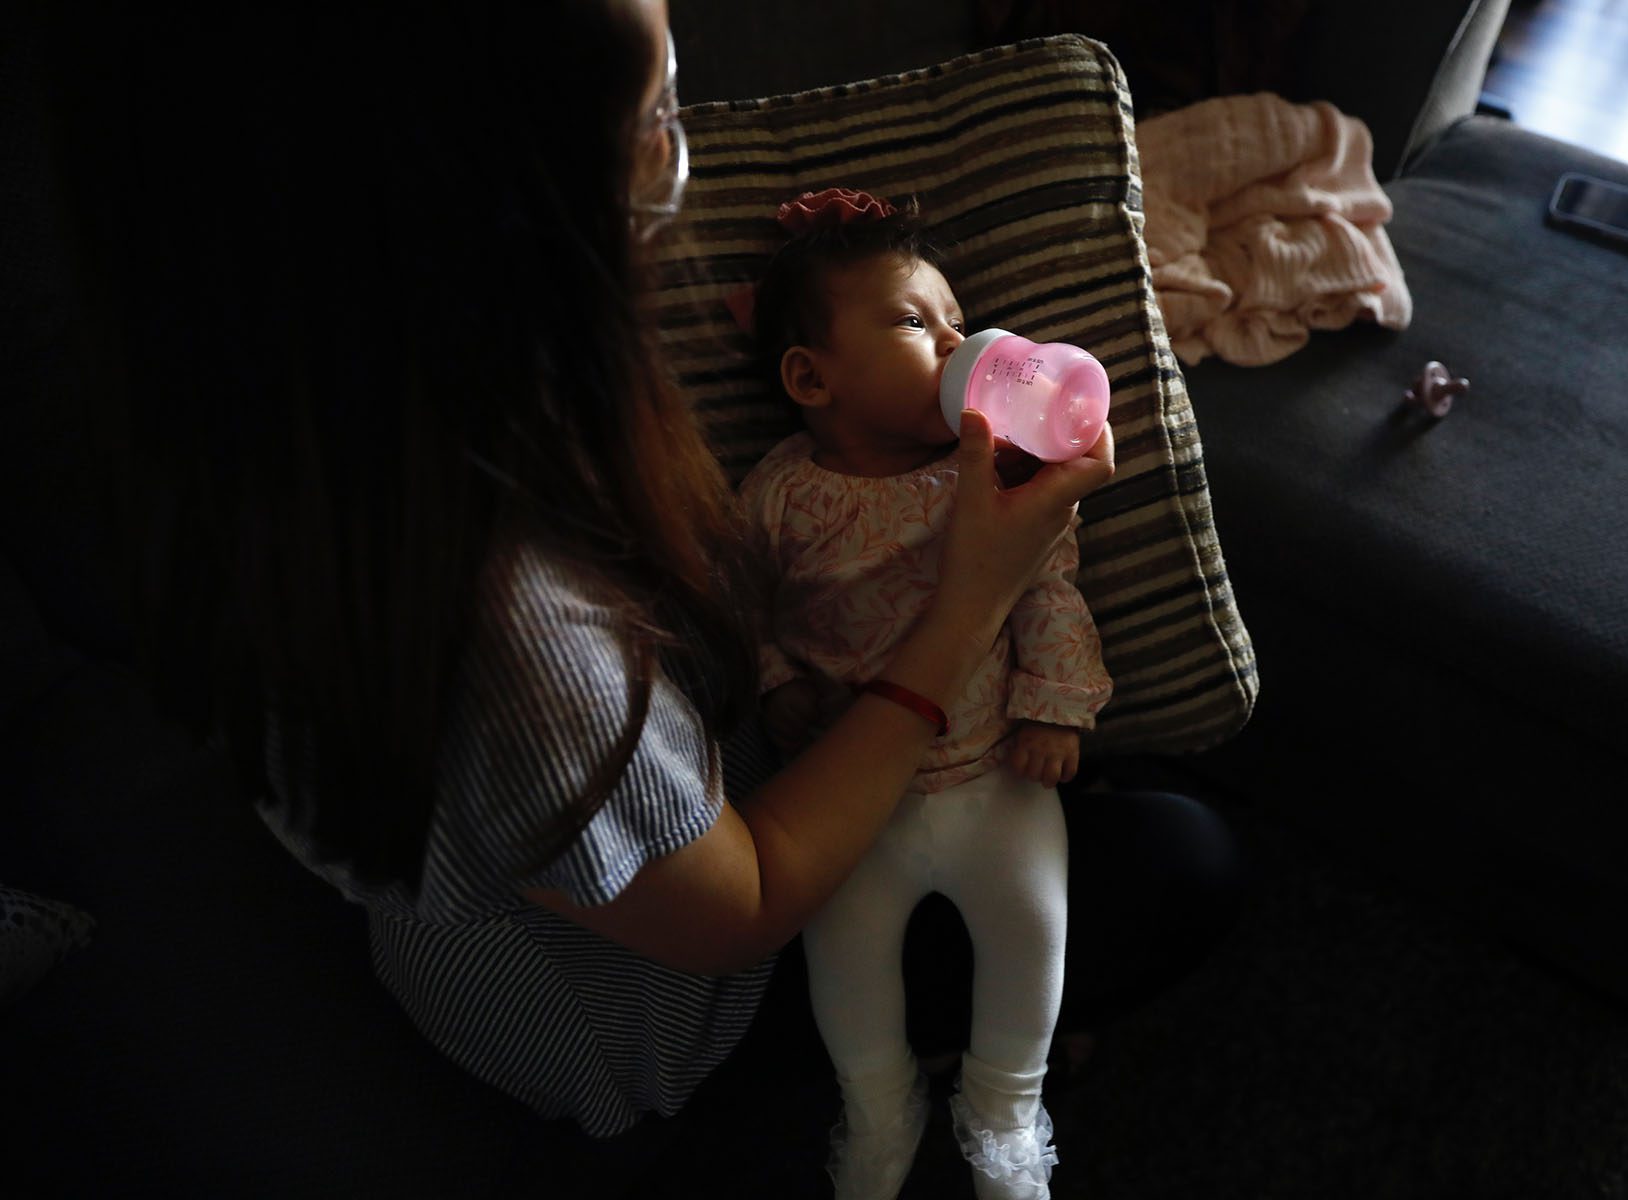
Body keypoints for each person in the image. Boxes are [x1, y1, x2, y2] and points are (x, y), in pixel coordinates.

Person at [36, 0, 1241, 1192]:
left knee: (1122, 798)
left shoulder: (310, 430)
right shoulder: (519, 639)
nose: (685, 161)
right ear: (509, 209)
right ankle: (891, 1093)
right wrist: (973, 596)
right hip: (650, 1011)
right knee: (1179, 858)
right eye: (664, 114)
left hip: (621, 838)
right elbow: (747, 904)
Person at [736, 187, 1107, 1200]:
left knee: (1035, 929)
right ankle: (878, 1103)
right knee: (842, 955)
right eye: (914, 321)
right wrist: (778, 691)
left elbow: (1049, 586)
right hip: (856, 793)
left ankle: (1004, 1110)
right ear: (813, 378)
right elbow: (745, 612)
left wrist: (1054, 706)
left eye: (957, 317)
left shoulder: (992, 472)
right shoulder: (778, 495)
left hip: (998, 767)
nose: (958, 341)